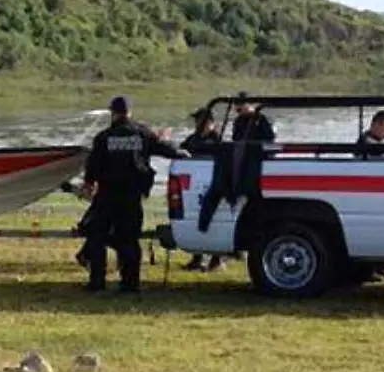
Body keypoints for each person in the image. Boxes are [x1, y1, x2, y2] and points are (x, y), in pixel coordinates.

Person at [80, 96, 181, 293]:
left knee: (97, 236)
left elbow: (93, 166)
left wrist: (89, 183)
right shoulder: (142, 133)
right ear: (130, 112)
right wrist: (182, 152)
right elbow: (165, 149)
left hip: (108, 195)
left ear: (113, 113)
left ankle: (97, 282)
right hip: (132, 196)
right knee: (129, 239)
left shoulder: (104, 137)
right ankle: (130, 283)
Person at [197, 97, 275, 233]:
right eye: (236, 107)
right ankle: (203, 227)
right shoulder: (239, 121)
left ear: (249, 105)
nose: (238, 110)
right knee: (217, 189)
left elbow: (269, 139)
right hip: (240, 158)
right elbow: (236, 139)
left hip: (253, 159)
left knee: (252, 199)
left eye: (240, 106)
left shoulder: (261, 120)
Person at [179, 108, 226, 272]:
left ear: (210, 123)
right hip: (195, 184)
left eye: (201, 121)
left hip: (214, 183)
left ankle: (217, 259)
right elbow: (181, 150)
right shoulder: (193, 138)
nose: (197, 124)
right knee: (196, 220)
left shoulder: (217, 139)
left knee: (216, 219)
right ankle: (197, 258)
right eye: (197, 121)